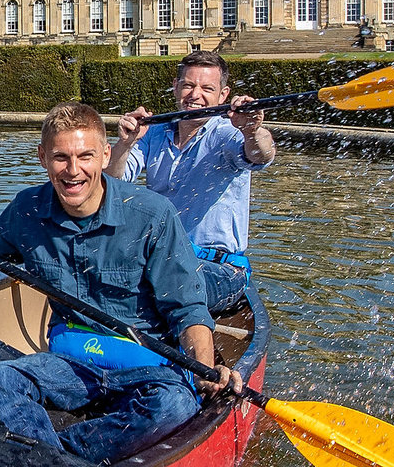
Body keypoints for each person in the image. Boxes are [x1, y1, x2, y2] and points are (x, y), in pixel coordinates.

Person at [0, 102, 242, 465]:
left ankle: (53, 459)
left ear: (105, 155)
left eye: (85, 156)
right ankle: (63, 465)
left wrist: (205, 374)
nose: (73, 170)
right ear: (42, 157)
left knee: (174, 406)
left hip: (150, 367)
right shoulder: (27, 209)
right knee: (0, 380)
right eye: (61, 157)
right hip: (71, 366)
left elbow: (188, 309)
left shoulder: (153, 215)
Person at [109, 50, 275, 308]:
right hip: (163, 260)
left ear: (223, 95)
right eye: (188, 85)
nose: (195, 95)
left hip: (219, 269)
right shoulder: (154, 133)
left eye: (207, 88)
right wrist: (125, 143)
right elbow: (111, 179)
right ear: (175, 87)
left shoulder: (228, 134)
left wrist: (251, 130)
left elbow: (261, 154)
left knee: (168, 284)